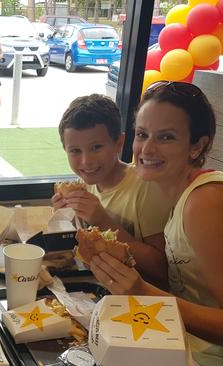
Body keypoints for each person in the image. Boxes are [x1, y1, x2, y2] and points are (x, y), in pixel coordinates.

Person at [89, 81, 223, 365]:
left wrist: (142, 292)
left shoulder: (207, 202)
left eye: (166, 137)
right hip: (191, 344)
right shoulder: (180, 198)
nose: (147, 149)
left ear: (198, 146)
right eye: (142, 134)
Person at [52, 94, 171, 288]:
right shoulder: (83, 184)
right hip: (97, 286)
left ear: (119, 143)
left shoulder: (145, 188)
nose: (86, 161)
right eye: (75, 151)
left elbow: (161, 269)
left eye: (96, 147)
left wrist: (102, 220)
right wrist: (63, 219)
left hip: (140, 297)